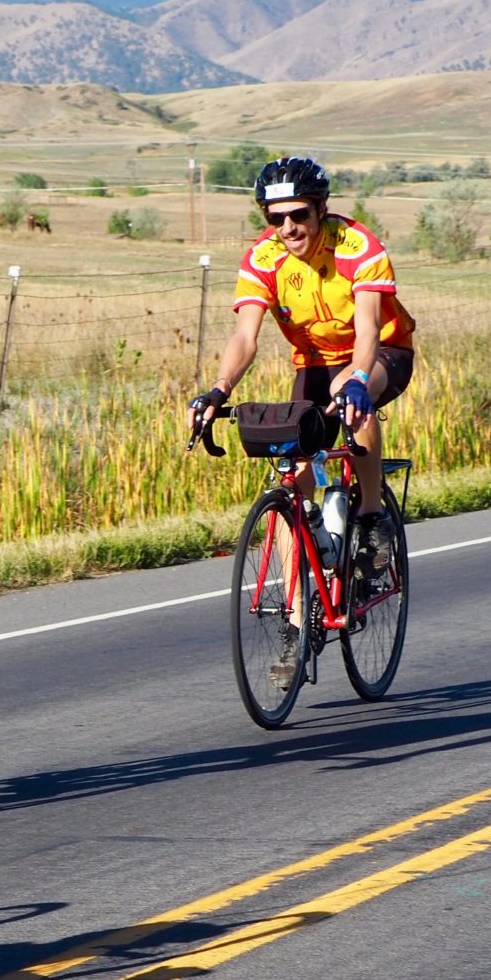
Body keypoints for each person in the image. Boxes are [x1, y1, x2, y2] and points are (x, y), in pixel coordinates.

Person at [189, 156, 417, 678]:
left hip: (380, 353)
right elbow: (245, 335)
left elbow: (366, 332)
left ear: (321, 210)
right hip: (313, 362)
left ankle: (371, 515)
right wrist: (219, 389)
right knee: (294, 464)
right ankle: (298, 624)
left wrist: (358, 376)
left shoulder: (358, 248)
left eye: (299, 216)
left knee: (353, 396)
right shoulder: (264, 258)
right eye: (275, 218)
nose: (288, 228)